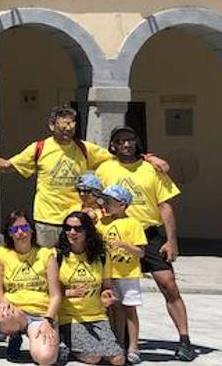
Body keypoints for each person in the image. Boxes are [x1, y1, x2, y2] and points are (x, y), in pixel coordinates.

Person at [0, 106, 166, 249]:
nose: (68, 131)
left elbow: (119, 157)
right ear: (52, 125)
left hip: (75, 219)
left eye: (71, 127)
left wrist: (147, 157)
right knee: (49, 265)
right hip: (46, 220)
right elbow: (6, 166)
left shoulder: (84, 148)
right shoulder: (40, 148)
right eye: (63, 127)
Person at [96, 126, 195, 361]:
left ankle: (184, 340)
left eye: (131, 139)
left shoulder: (152, 169)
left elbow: (165, 206)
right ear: (113, 145)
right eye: (121, 141)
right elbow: (95, 199)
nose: (127, 144)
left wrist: (171, 241)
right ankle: (119, 343)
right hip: (116, 237)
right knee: (115, 293)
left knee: (168, 284)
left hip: (149, 235)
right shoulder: (104, 168)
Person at [0, 209, 63, 366]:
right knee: (3, 316)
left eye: (24, 228)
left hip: (41, 314)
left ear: (31, 230)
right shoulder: (0, 254)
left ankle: (53, 345)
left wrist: (48, 320)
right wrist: (4, 302)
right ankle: (15, 336)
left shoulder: (46, 254)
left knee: (45, 359)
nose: (20, 233)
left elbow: (56, 295)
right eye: (14, 229)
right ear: (9, 234)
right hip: (16, 312)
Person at [56, 212, 124, 365]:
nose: (72, 233)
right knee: (93, 357)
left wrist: (107, 296)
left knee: (118, 359)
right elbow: (49, 292)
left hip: (97, 316)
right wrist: (70, 292)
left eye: (78, 229)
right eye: (68, 228)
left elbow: (106, 287)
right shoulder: (57, 256)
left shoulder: (101, 256)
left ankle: (81, 345)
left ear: (88, 231)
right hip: (70, 317)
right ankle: (67, 344)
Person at [96, 184, 146, 364]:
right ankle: (118, 342)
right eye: (105, 201)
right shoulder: (102, 222)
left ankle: (133, 346)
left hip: (128, 274)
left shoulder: (133, 224)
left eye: (110, 201)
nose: (105, 205)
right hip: (108, 273)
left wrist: (125, 245)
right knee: (113, 308)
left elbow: (141, 252)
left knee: (129, 309)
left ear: (123, 204)